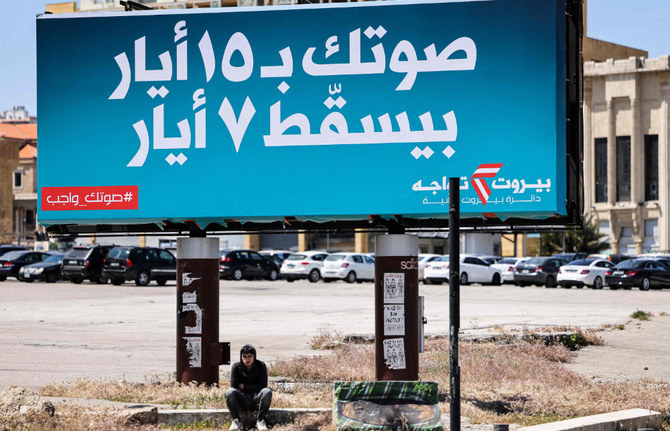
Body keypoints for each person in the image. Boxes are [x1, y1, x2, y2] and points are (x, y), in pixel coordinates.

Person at [225, 344, 272, 431]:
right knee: (229, 392)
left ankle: (260, 420)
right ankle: (236, 420)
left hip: (256, 398)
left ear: (254, 356)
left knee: (267, 391)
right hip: (242, 399)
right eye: (244, 356)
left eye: (249, 356)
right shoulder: (236, 367)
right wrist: (253, 387)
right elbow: (234, 387)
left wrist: (244, 386)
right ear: (241, 357)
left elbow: (263, 386)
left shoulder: (261, 366)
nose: (247, 359)